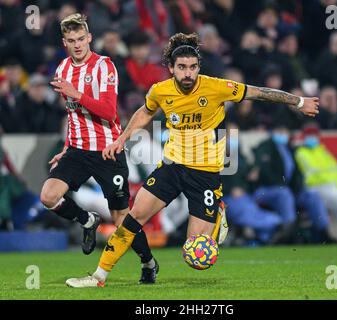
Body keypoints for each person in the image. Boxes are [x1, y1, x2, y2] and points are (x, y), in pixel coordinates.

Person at [66, 32, 319, 287]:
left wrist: (298, 101)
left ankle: (218, 213)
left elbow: (259, 93)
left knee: (196, 257)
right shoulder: (161, 91)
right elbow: (146, 112)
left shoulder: (217, 87)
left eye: (193, 67)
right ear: (171, 68)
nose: (188, 73)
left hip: (205, 174)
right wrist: (122, 138)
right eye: (182, 68)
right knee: (133, 217)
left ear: (199, 67)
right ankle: (99, 276)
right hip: (172, 167)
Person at [39, 13, 158, 284]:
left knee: (121, 219)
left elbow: (109, 111)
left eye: (81, 39)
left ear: (90, 37)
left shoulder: (105, 66)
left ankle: (148, 262)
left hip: (107, 150)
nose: (78, 45)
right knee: (48, 197)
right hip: (78, 151)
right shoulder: (62, 69)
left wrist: (77, 94)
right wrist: (67, 145)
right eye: (71, 40)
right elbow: (73, 114)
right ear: (64, 42)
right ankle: (88, 221)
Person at [252, 122, 332, 243]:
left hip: (289, 190)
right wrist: (285, 186)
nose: (282, 134)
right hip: (267, 190)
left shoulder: (291, 149)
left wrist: (297, 187)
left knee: (312, 195)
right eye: (279, 131)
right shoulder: (265, 147)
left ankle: (323, 232)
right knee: (284, 194)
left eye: (284, 131)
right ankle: (288, 232)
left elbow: (297, 173)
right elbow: (265, 174)